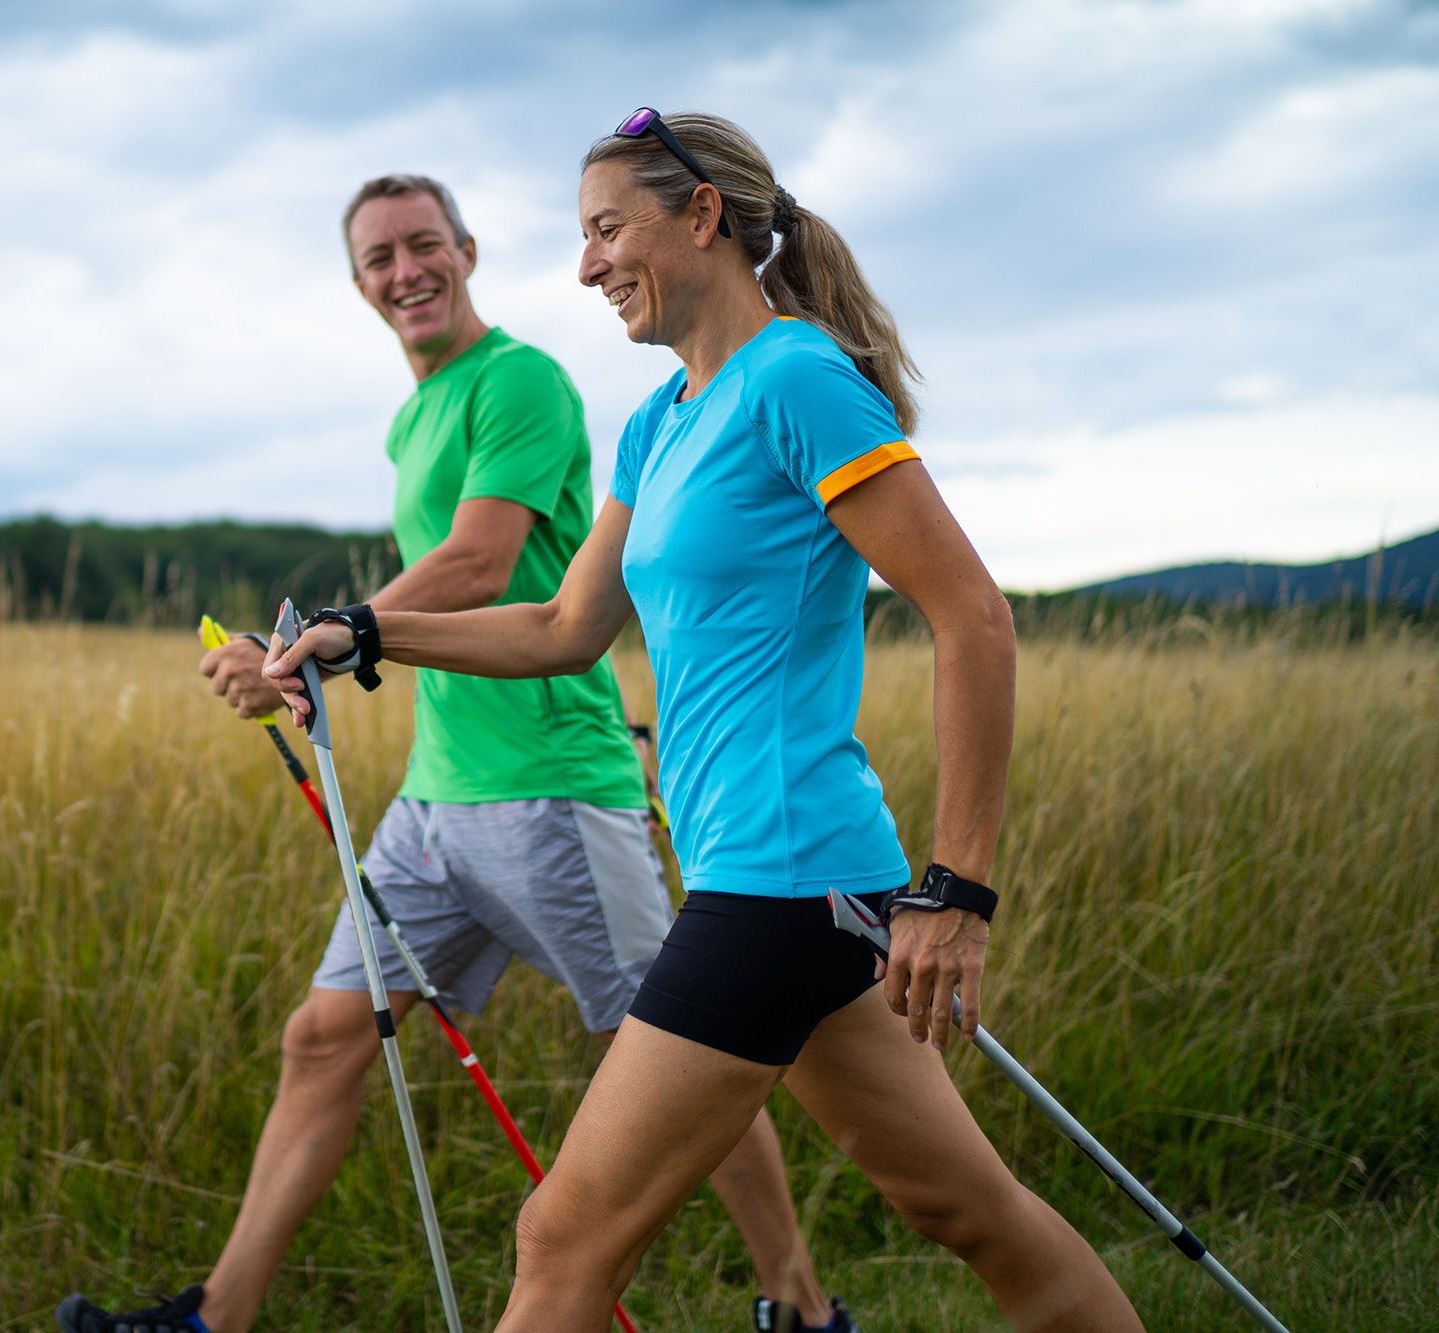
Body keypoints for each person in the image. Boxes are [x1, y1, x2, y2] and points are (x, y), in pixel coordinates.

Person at [265, 114, 1147, 1332]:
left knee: (562, 1237)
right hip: (789, 884)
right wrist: (364, 631)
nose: (585, 268)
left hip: (783, 895)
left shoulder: (794, 379)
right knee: (966, 1212)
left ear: (700, 217)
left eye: (606, 230)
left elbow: (972, 618)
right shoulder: (659, 421)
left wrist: (958, 891)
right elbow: (562, 628)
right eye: (580, 239)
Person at [58, 173, 852, 1333]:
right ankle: (211, 1320)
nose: (405, 271)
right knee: (324, 1034)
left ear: (467, 252)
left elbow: (483, 564)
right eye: (379, 258)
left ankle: (800, 1308)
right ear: (359, 284)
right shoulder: (412, 414)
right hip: (433, 804)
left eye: (423, 245)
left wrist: (307, 651)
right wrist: (318, 652)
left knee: (690, 1053)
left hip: (551, 793)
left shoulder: (518, 381)